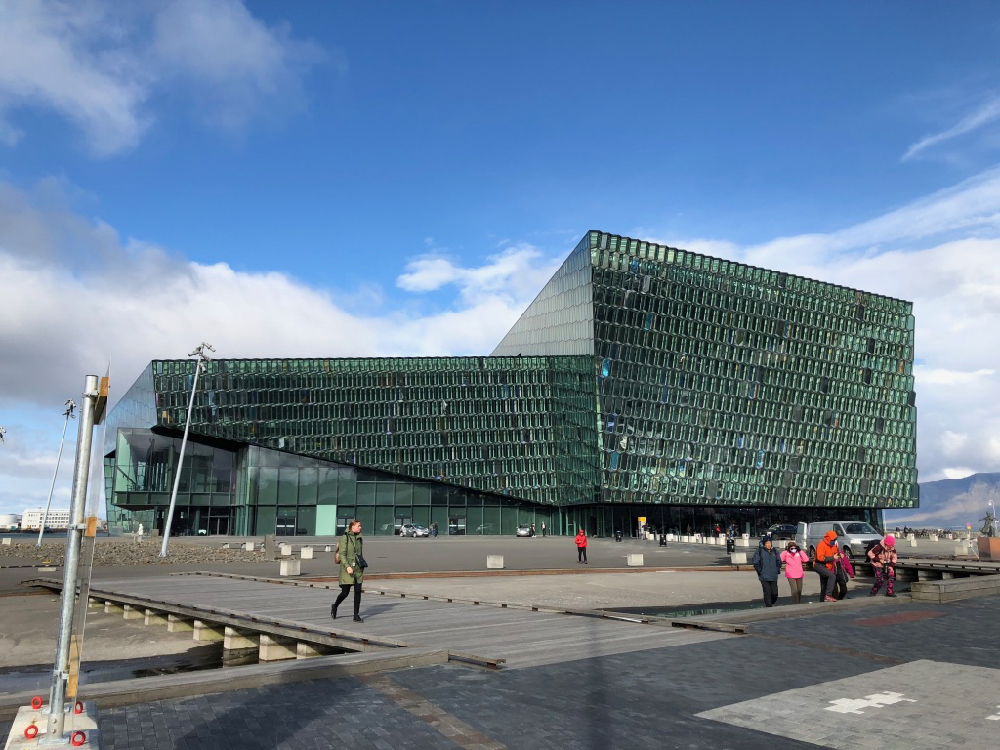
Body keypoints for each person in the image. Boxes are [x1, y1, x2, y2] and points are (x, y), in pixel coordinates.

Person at [331, 519, 365, 622]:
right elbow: (342, 554)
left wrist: (361, 563)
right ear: (352, 527)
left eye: (360, 525)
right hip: (347, 568)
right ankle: (335, 605)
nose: (360, 527)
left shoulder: (359, 538)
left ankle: (356, 615)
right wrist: (347, 566)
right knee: (345, 592)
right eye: (358, 525)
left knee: (358, 591)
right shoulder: (344, 538)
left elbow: (359, 553)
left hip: (358, 568)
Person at [752, 537, 782, 606]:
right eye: (767, 543)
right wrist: (760, 571)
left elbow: (779, 561)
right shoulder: (759, 551)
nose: (768, 545)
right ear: (764, 544)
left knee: (774, 592)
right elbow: (756, 562)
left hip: (773, 575)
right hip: (764, 576)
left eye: (770, 543)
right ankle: (768, 606)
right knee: (767, 591)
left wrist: (777, 569)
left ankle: (771, 602)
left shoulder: (775, 551)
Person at [814, 529, 840, 602]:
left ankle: (822, 600)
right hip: (818, 565)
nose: (834, 541)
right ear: (828, 539)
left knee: (824, 584)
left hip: (827, 565)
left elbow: (835, 553)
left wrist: (838, 554)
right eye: (833, 539)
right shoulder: (821, 545)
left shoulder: (833, 545)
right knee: (832, 576)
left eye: (835, 539)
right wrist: (832, 557)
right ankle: (828, 595)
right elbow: (820, 557)